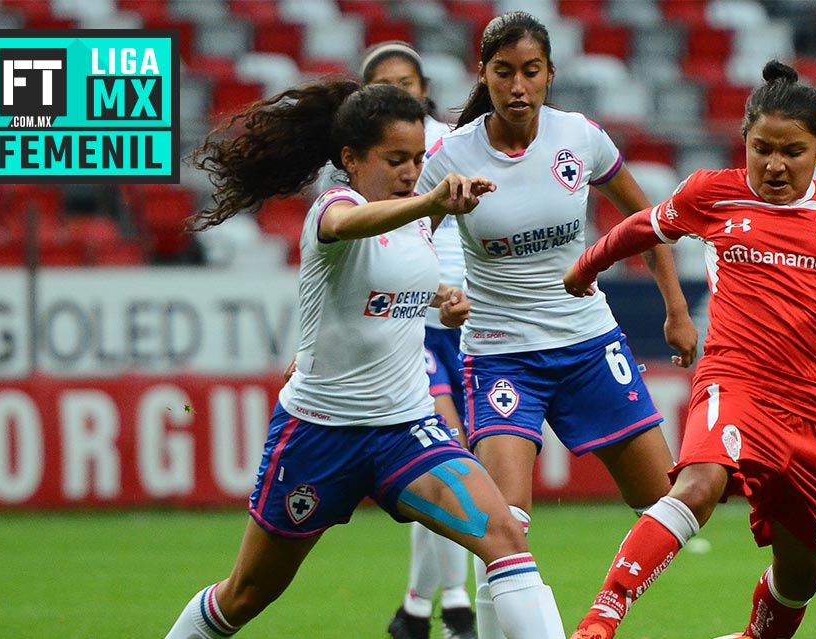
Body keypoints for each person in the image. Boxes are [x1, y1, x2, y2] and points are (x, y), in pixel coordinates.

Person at [562, 59, 816, 639]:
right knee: (698, 483)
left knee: (801, 577)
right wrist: (584, 267)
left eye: (792, 151)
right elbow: (645, 226)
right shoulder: (712, 194)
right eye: (761, 148)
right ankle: (601, 620)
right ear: (743, 142)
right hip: (735, 380)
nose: (775, 165)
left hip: (814, 410)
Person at [163, 79, 566, 639]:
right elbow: (348, 230)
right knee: (247, 594)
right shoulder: (337, 206)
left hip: (405, 431)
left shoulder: (412, 217)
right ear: (351, 159)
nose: (410, 171)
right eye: (396, 159)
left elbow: (383, 292)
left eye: (418, 159)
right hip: (320, 434)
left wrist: (441, 297)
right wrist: (429, 202)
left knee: (504, 536)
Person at [415, 11, 700, 639]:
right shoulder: (450, 159)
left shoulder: (580, 138)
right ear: (484, 75)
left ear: (550, 75)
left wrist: (676, 311)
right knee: (504, 525)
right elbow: (402, 251)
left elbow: (647, 222)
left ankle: (608, 607)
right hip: (499, 354)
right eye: (504, 72)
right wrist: (436, 296)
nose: (518, 86)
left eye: (531, 72)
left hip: (587, 342)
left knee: (670, 499)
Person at [359, 40, 477, 639]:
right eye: (388, 84)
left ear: (424, 87)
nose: (401, 91)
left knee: (448, 465)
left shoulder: (454, 145)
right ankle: (455, 603)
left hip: (470, 320)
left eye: (408, 82)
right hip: (412, 325)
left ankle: (413, 610)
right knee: (443, 453)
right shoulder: (365, 166)